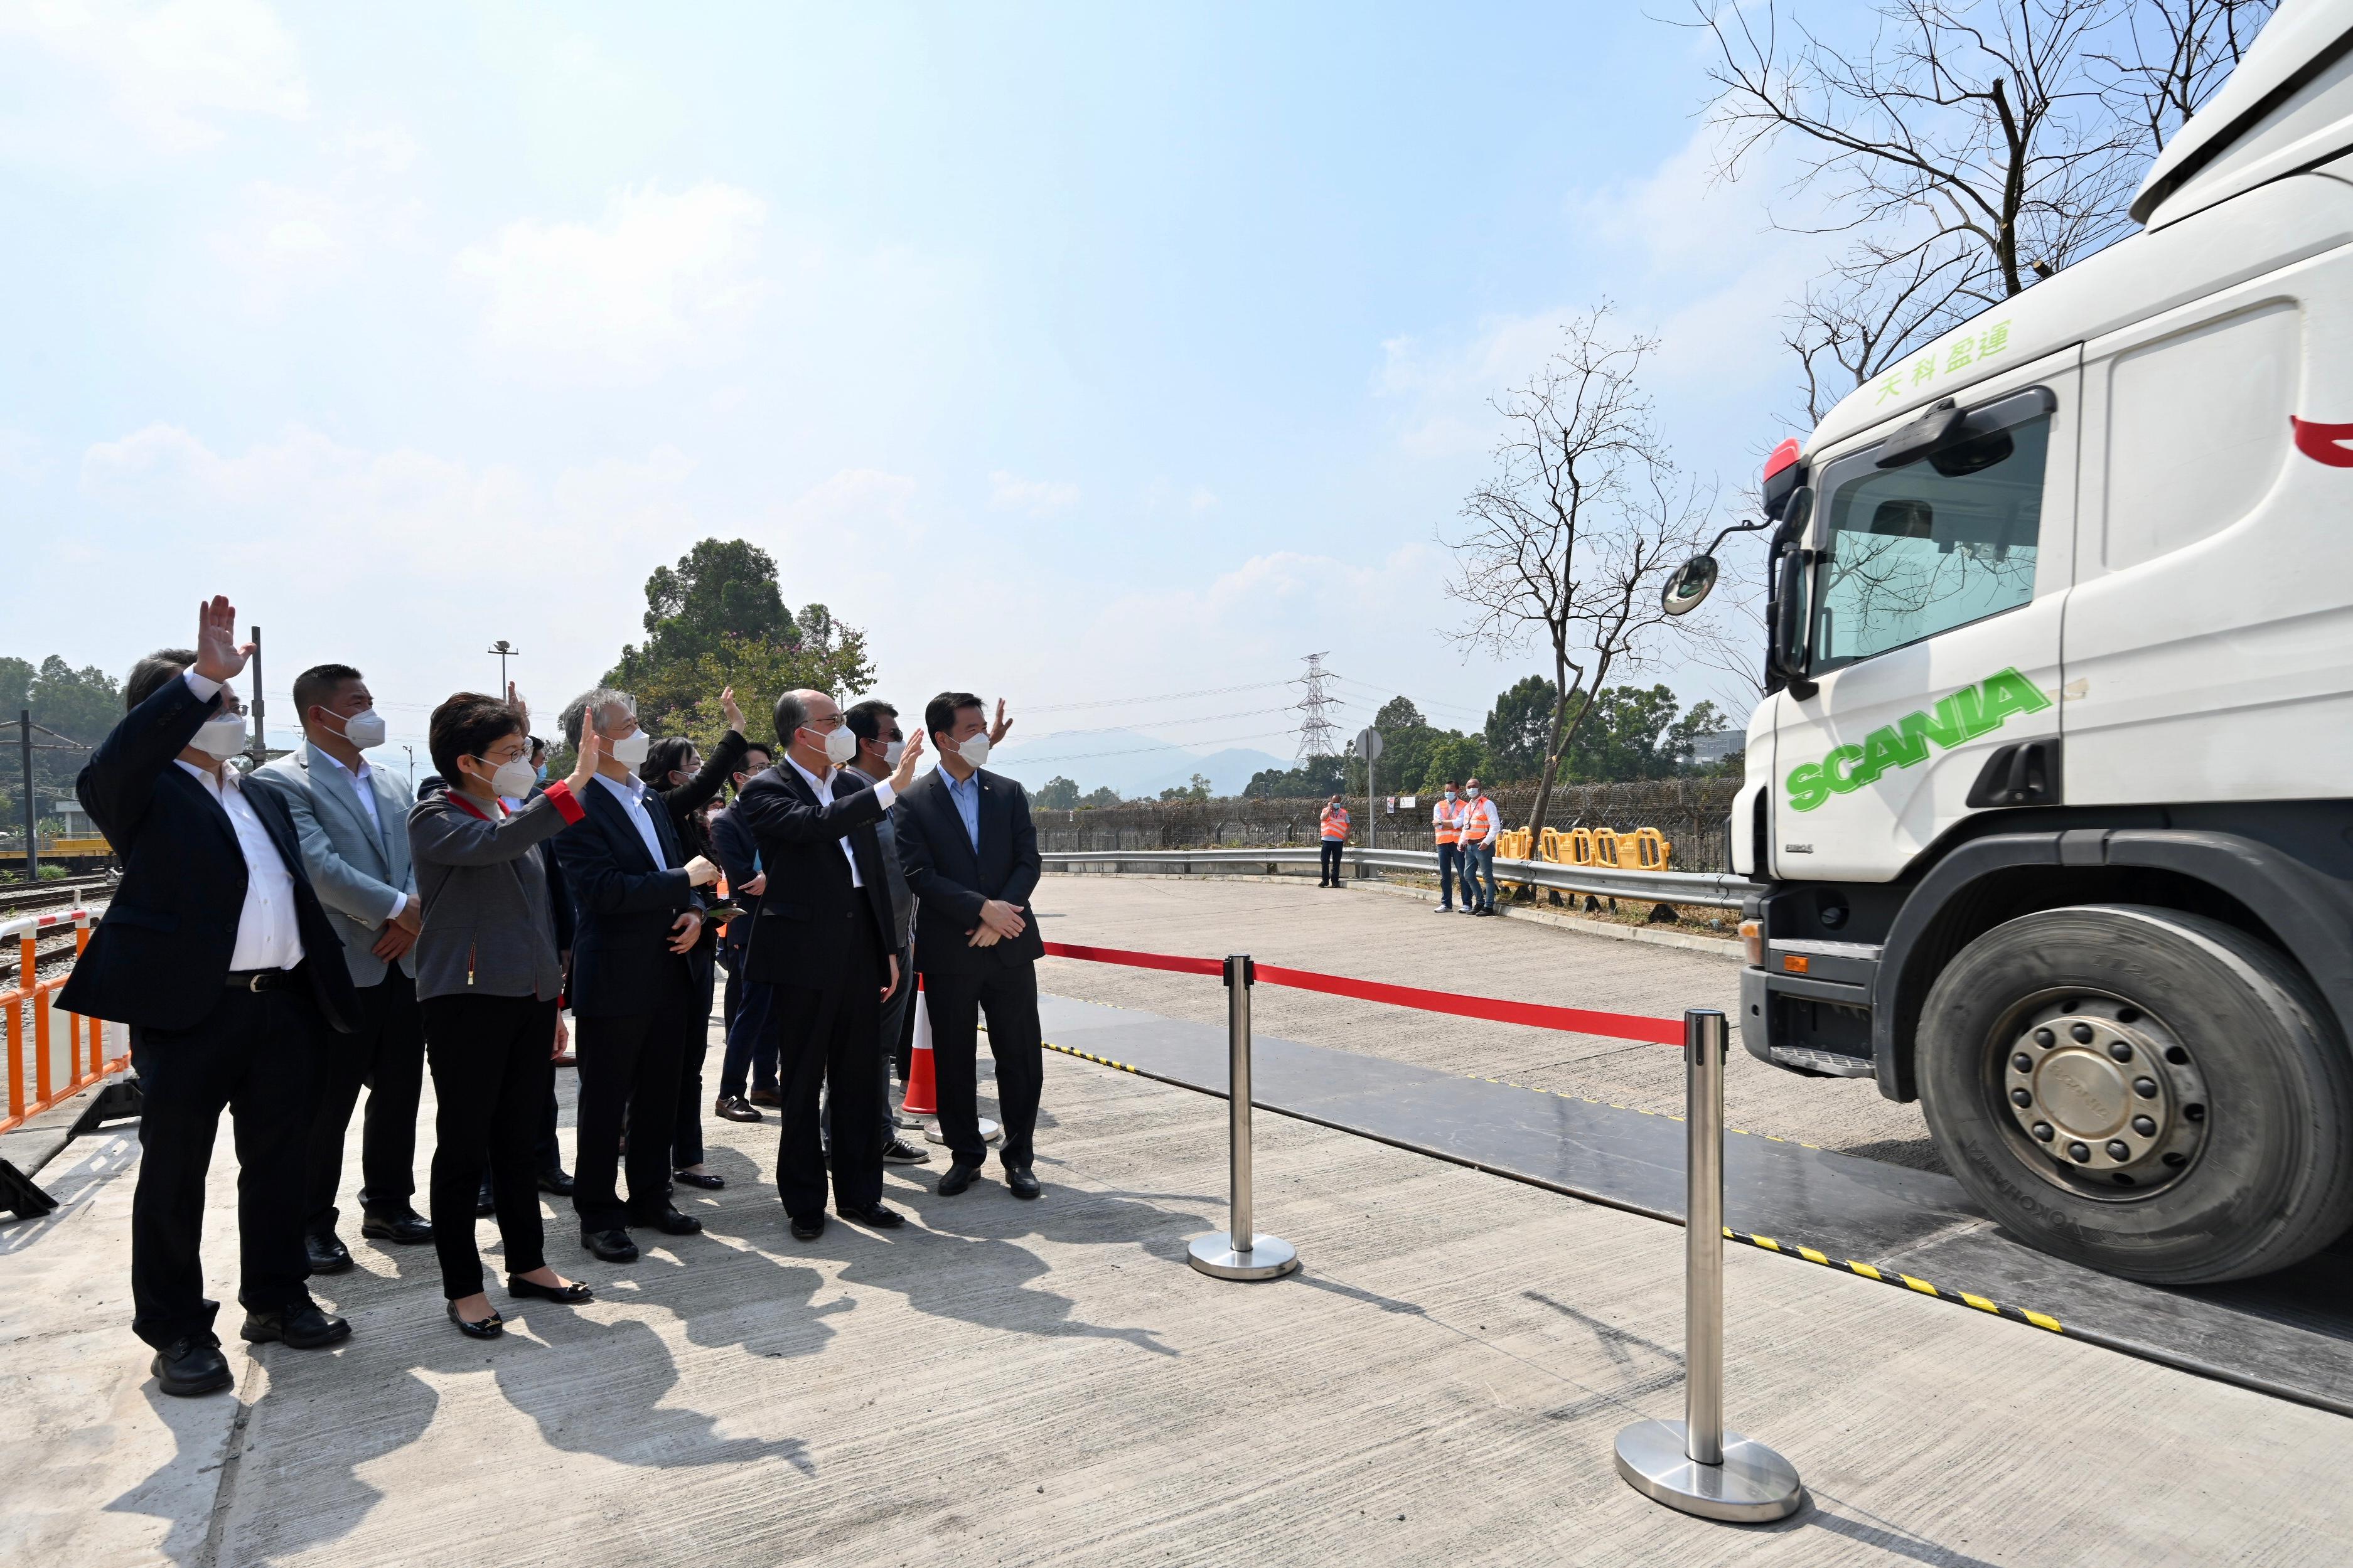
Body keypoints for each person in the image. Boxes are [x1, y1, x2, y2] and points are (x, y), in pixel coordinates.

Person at [60, 597, 360, 1397]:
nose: (229, 710)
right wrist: (197, 675)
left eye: (231, 701)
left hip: (279, 1007)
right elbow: (112, 764)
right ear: (165, 715)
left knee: (278, 1167)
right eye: (214, 703)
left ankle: (277, 1298)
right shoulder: (143, 794)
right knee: (175, 1178)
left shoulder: (258, 793)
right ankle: (178, 1330)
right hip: (193, 1016)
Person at [407, 691, 601, 1338]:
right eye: (511, 754)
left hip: (526, 997)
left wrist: (551, 1000)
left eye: (525, 752)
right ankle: (463, 1286)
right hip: (465, 999)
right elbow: (496, 844)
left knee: (520, 1137)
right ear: (468, 762)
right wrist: (571, 785)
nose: (525, 763)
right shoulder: (436, 817)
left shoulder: (509, 809)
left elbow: (537, 915)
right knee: (464, 1145)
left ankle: (528, 1264)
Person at [246, 663, 430, 1278]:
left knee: (401, 1093)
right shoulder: (279, 783)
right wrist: (397, 909)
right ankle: (311, 1225)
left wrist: (410, 914)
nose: (370, 711)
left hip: (401, 962)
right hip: (338, 969)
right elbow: (317, 868)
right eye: (358, 702)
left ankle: (388, 1205)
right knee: (326, 1108)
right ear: (318, 715)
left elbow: (413, 859)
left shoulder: (390, 783)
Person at [734, 690, 925, 1239]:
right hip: (803, 956)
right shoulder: (766, 789)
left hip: (862, 950)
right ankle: (804, 1202)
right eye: (832, 721)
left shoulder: (851, 784)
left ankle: (862, 1194)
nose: (841, 728)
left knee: (861, 1078)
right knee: (802, 1082)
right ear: (802, 733)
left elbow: (873, 876)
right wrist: (890, 788)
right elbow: (815, 825)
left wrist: (888, 948)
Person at [550, 688, 719, 1264]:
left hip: (672, 966)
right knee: (604, 1101)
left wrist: (697, 910)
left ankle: (651, 1195)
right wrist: (683, 881)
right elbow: (601, 891)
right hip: (616, 976)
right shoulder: (574, 803)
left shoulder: (646, 797)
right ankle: (598, 1212)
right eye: (629, 724)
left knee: (659, 1093)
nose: (640, 731)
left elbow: (690, 876)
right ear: (593, 738)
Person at [891, 691, 1046, 1200]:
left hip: (1009, 943)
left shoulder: (1007, 792)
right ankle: (965, 1156)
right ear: (944, 738)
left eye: (984, 727)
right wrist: (982, 910)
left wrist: (1001, 913)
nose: (983, 736)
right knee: (954, 1057)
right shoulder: (912, 800)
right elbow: (918, 873)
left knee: (1019, 1056)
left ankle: (1019, 1158)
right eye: (972, 728)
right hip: (951, 948)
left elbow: (1028, 860)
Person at [638, 688, 753, 1193]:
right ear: (670, 775)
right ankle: (649, 1160)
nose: (702, 772)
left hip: (699, 946)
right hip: (661, 953)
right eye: (693, 766)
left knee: (689, 1062)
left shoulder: (693, 823)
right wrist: (734, 731)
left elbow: (703, 884)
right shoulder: (658, 809)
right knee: (655, 1067)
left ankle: (689, 1156)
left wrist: (705, 910)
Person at [840, 698, 930, 1166]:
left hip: (898, 939)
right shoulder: (852, 793)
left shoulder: (891, 794)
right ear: (866, 742)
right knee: (857, 1052)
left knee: (877, 1053)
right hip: (871, 947)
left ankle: (878, 1134)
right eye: (892, 735)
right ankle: (843, 1142)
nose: (899, 743)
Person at [709, 740, 777, 1120]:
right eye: (759, 767)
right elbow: (745, 880)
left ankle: (766, 1083)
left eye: (770, 764)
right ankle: (730, 1092)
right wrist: (774, 875)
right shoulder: (725, 821)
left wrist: (775, 876)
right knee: (751, 1011)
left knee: (774, 1012)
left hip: (783, 924)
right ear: (739, 777)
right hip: (750, 927)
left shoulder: (774, 812)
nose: (768, 772)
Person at [1462, 777, 1501, 915]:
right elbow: (1465, 827)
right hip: (1470, 846)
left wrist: (1487, 841)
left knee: (1487, 877)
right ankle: (1479, 902)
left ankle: (1489, 906)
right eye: (1468, 787)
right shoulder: (1468, 806)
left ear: (1480, 788)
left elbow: (1496, 825)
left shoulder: (1487, 804)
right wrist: (1462, 841)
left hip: (1482, 845)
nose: (1471, 789)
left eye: (1474, 786)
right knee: (1468, 875)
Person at [1431, 781, 1468, 913]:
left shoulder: (1464, 806)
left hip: (1458, 843)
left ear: (1458, 791)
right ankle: (1446, 904)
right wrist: (1445, 823)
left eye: (1451, 790)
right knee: (1445, 875)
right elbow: (1438, 824)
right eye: (1446, 790)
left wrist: (1442, 822)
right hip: (1442, 843)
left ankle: (1467, 904)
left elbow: (1459, 823)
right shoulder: (1439, 805)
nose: (1448, 792)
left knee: (1463, 874)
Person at [1317, 794, 1350, 887]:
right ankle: (1325, 880)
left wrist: (1347, 836)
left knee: (1336, 862)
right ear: (1331, 802)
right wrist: (1329, 809)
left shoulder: (1343, 813)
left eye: (1337, 802)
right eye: (1334, 802)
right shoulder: (1325, 810)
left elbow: (1349, 825)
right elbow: (1323, 819)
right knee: (1325, 861)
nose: (1336, 804)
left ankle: (1335, 881)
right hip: (1326, 840)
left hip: (1338, 841)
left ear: (1340, 802)